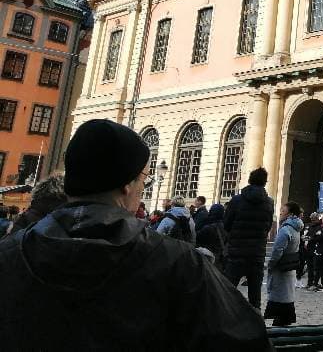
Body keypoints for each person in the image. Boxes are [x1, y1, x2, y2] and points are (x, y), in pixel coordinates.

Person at [0, 118, 269, 350]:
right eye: (144, 178)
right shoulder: (179, 264)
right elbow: (247, 341)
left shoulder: (9, 255)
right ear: (128, 186)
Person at [223, 167, 274, 310]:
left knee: (227, 290)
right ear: (265, 182)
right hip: (257, 253)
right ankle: (256, 322)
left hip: (236, 251)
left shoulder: (237, 200)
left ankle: (224, 319)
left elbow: (226, 224)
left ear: (250, 180)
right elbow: (268, 226)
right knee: (255, 294)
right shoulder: (269, 202)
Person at [265, 202, 303, 326]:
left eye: (283, 211)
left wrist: (271, 264)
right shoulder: (296, 229)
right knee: (286, 300)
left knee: (279, 302)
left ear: (290, 214)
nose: (280, 213)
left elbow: (277, 250)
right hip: (290, 267)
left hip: (281, 268)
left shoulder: (285, 229)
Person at [196, 204, 228, 271]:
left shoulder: (208, 227)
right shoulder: (225, 226)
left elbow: (198, 238)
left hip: (208, 257)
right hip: (220, 257)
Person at [302, 212, 321, 289]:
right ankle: (312, 283)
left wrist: (309, 239)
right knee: (312, 267)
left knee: (311, 267)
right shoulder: (317, 227)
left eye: (313, 219)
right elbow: (316, 238)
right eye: (312, 219)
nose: (313, 220)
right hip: (313, 249)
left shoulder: (309, 226)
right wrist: (311, 238)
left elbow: (305, 237)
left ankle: (311, 283)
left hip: (311, 248)